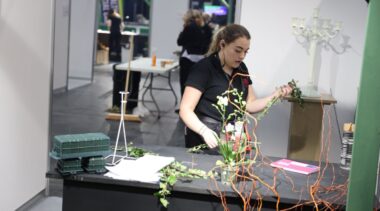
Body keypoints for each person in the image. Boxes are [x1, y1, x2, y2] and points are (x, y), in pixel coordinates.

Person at [179, 24, 292, 148]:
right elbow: (185, 109)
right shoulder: (203, 69)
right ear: (222, 45)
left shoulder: (242, 69)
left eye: (245, 51)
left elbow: (249, 105)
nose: (242, 56)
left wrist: (276, 95)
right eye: (238, 50)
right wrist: (203, 131)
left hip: (233, 139)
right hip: (205, 139)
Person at [177, 10, 213, 98]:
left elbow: (180, 41)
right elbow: (209, 44)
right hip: (201, 59)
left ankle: (184, 106)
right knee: (198, 84)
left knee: (185, 84)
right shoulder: (207, 28)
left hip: (187, 59)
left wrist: (183, 31)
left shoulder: (189, 27)